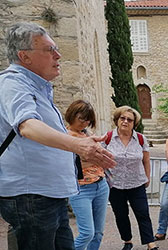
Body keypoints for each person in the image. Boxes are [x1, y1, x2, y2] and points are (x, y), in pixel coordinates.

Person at [0, 22, 115, 250]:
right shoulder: (13, 83)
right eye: (49, 49)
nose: (58, 55)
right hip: (31, 197)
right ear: (25, 56)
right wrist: (78, 146)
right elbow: (28, 126)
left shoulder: (36, 88)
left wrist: (82, 141)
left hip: (46, 196)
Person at [102, 105, 158, 250]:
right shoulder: (107, 138)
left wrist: (147, 177)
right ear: (117, 120)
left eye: (129, 120)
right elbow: (100, 159)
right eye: (123, 118)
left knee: (143, 213)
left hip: (136, 183)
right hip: (115, 184)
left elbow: (146, 159)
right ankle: (127, 241)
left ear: (134, 123)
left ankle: (150, 243)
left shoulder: (140, 138)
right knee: (121, 215)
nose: (125, 121)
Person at [65, 100, 109, 250]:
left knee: (98, 233)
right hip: (81, 188)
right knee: (87, 233)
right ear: (72, 115)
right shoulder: (65, 137)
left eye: (88, 120)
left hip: (101, 185)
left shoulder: (86, 133)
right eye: (81, 118)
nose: (85, 123)